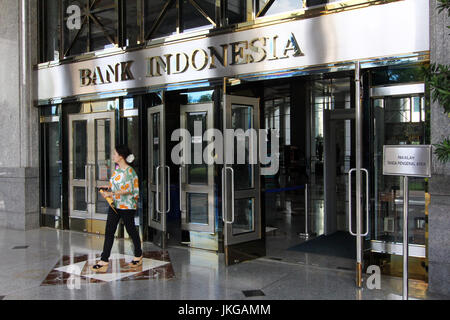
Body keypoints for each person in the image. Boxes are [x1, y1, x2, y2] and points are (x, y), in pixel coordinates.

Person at [91, 145, 143, 273]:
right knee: (109, 230)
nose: (113, 156)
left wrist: (111, 194)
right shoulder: (117, 170)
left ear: (121, 156)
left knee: (130, 230)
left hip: (127, 206)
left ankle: (138, 254)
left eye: (114, 154)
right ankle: (104, 260)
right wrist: (108, 187)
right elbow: (115, 184)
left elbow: (128, 189)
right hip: (115, 205)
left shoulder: (130, 172)